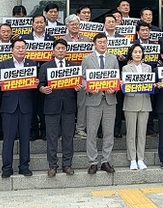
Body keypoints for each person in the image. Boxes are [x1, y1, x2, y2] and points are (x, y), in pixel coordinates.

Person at [38, 39, 83, 177]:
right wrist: (42, 89)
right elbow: (40, 84)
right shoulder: (45, 66)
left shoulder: (73, 66)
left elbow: (77, 84)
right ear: (53, 51)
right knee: (52, 138)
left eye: (63, 48)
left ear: (66, 50)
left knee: (68, 137)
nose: (61, 50)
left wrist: (78, 88)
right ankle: (52, 165)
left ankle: (67, 164)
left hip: (68, 106)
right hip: (51, 106)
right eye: (58, 48)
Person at [0, 38, 38, 177]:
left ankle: (24, 166)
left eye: (23, 47)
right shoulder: (4, 64)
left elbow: (35, 85)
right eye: (18, 47)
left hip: (26, 106)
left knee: (25, 138)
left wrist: (36, 82)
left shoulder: (32, 63)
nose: (20, 50)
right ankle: (6, 167)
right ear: (12, 50)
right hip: (9, 106)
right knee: (8, 139)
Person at [82, 33, 119, 174]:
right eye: (100, 42)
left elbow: (117, 78)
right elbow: (83, 79)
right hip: (93, 99)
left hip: (109, 100)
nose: (103, 44)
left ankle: (105, 161)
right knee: (91, 133)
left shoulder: (113, 59)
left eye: (105, 42)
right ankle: (92, 162)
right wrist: (89, 89)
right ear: (95, 44)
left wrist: (114, 89)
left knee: (109, 132)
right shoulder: (87, 59)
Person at [22, 14, 55, 140]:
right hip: (29, 75)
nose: (39, 25)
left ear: (45, 24)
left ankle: (45, 131)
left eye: (42, 22)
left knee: (45, 104)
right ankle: (33, 131)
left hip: (46, 74)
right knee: (31, 104)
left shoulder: (51, 39)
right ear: (32, 24)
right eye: (37, 22)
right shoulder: (25, 39)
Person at [122, 44, 153, 170]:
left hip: (145, 103)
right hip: (131, 102)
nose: (138, 54)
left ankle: (140, 158)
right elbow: (125, 85)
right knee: (131, 134)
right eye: (135, 52)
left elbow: (149, 83)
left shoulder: (148, 68)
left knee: (141, 133)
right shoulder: (125, 68)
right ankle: (132, 159)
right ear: (131, 54)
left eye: (140, 52)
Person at [62, 14, 91, 139]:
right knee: (67, 103)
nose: (75, 26)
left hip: (83, 76)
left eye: (77, 24)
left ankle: (80, 129)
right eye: (72, 24)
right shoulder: (62, 40)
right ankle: (66, 129)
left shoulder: (87, 40)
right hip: (67, 76)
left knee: (82, 103)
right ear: (67, 26)